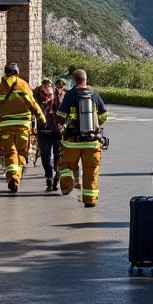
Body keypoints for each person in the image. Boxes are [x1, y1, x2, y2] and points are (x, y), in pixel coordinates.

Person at [0, 63, 46, 193]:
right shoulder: (23, 85)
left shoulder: (0, 88)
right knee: (21, 152)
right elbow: (33, 104)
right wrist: (42, 119)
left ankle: (12, 177)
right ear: (17, 72)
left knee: (10, 152)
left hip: (5, 126)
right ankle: (15, 178)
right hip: (22, 126)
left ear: (5, 73)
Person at [57, 68, 110, 207]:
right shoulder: (94, 94)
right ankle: (90, 200)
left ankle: (67, 185)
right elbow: (104, 116)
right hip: (92, 142)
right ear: (86, 79)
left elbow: (60, 116)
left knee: (65, 165)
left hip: (72, 142)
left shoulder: (70, 94)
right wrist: (96, 124)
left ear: (74, 80)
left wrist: (64, 124)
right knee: (91, 171)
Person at [35, 78, 61, 191]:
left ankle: (57, 177)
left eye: (48, 85)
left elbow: (63, 109)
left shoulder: (58, 95)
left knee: (58, 156)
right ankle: (49, 177)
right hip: (43, 130)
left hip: (56, 130)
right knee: (45, 157)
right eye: (44, 85)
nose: (46, 87)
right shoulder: (37, 95)